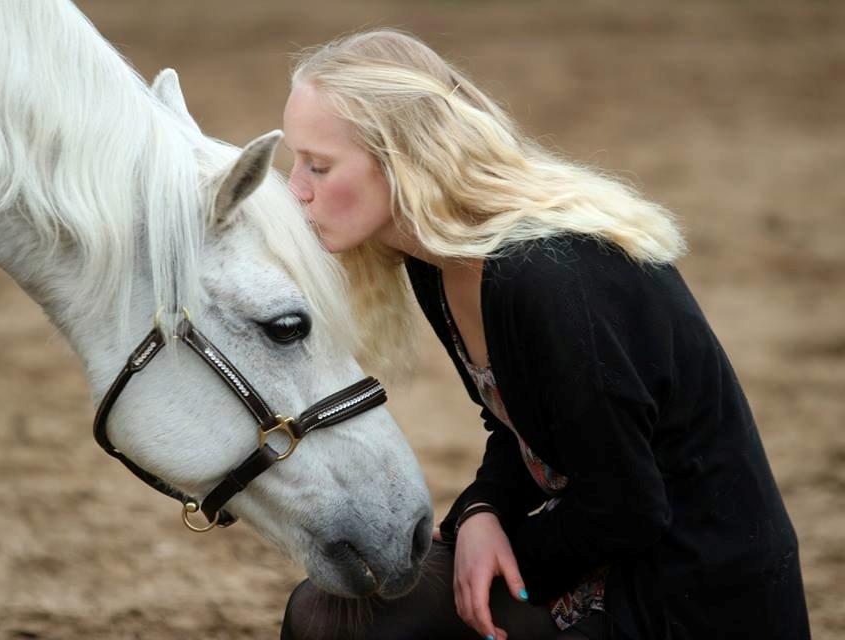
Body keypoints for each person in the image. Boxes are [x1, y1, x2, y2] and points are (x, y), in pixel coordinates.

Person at [277, 29, 810, 640]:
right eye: (297, 160)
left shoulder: (548, 279)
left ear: (403, 158)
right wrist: (482, 510)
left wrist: (505, 555)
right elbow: (517, 427)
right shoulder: (435, 259)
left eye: (318, 164)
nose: (296, 187)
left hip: (687, 596)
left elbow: (630, 508)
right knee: (325, 614)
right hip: (601, 549)